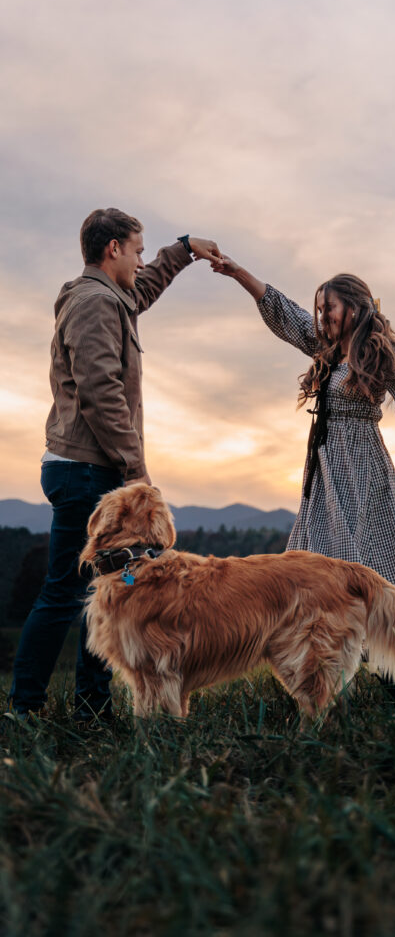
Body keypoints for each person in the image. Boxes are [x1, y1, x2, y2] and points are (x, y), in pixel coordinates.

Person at [8, 208, 222, 721]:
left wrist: (186, 248)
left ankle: (91, 706)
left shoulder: (110, 298)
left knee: (104, 591)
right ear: (113, 250)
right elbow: (100, 392)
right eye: (138, 250)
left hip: (88, 464)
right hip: (88, 468)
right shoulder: (93, 305)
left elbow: (143, 288)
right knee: (66, 589)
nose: (142, 259)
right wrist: (135, 470)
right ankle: (25, 706)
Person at [212, 258, 395, 594]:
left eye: (328, 308)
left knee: (359, 560)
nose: (322, 317)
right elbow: (286, 313)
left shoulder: (380, 351)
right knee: (310, 557)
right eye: (319, 309)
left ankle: (371, 640)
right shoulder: (326, 349)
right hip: (325, 466)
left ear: (355, 308)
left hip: (361, 465)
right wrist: (237, 273)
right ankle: (320, 637)